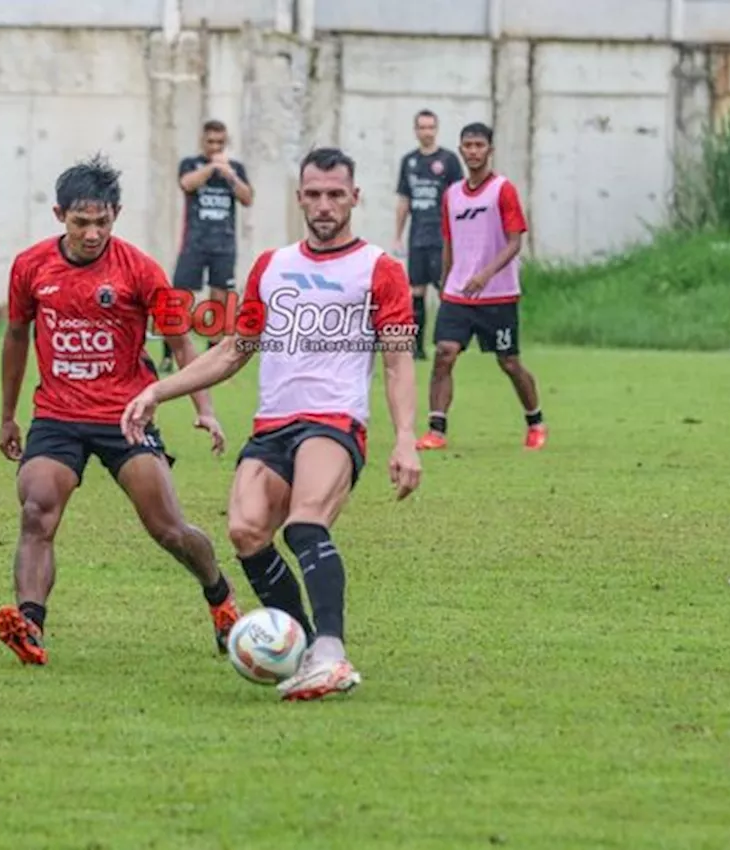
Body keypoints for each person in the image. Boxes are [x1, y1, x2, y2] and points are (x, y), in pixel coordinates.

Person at [123, 147, 423, 701]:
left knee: (305, 523)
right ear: (300, 198)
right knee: (246, 532)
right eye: (314, 194)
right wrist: (158, 389)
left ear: (355, 197)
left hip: (334, 421)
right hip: (272, 425)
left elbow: (398, 359)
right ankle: (306, 649)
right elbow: (235, 349)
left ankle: (331, 650)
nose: (325, 205)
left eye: (336, 194)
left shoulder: (379, 269)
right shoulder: (272, 266)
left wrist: (406, 437)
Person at [0, 153, 241, 666]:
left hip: (126, 415)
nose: (91, 233)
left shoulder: (140, 269)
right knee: (37, 509)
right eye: (81, 222)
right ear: (60, 214)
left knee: (168, 530)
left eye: (102, 222)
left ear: (116, 215)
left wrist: (205, 408)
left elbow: (181, 342)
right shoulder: (30, 267)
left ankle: (219, 597)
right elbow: (17, 336)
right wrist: (7, 415)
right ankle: (31, 627)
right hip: (58, 415)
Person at [416, 122, 546, 452]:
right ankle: (436, 430)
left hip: (497, 294)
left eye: (479, 145)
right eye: (468, 145)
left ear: (489, 150)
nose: (473, 151)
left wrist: (485, 274)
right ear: (460, 150)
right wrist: (446, 279)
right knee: (444, 354)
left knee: (509, 362)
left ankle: (535, 421)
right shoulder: (452, 195)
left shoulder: (502, 190)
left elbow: (515, 242)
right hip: (459, 293)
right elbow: (450, 241)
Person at [159, 120, 253, 372]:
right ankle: (169, 354)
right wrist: (212, 167)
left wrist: (229, 175)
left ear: (226, 143)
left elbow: (247, 198)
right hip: (194, 243)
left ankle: (211, 356)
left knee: (220, 301)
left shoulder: (235, 169)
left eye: (220, 143)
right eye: (211, 142)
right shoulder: (191, 164)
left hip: (223, 244)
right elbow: (187, 184)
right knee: (178, 299)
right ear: (203, 142)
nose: (215, 146)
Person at [393, 109, 463, 360]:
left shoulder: (449, 161)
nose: (426, 132)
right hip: (418, 237)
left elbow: (459, 199)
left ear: (436, 129)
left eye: (430, 127)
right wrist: (398, 236)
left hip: (442, 236)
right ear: (415, 130)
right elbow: (404, 201)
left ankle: (449, 342)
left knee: (445, 289)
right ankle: (417, 347)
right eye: (422, 127)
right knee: (416, 292)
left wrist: (460, 235)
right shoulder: (409, 162)